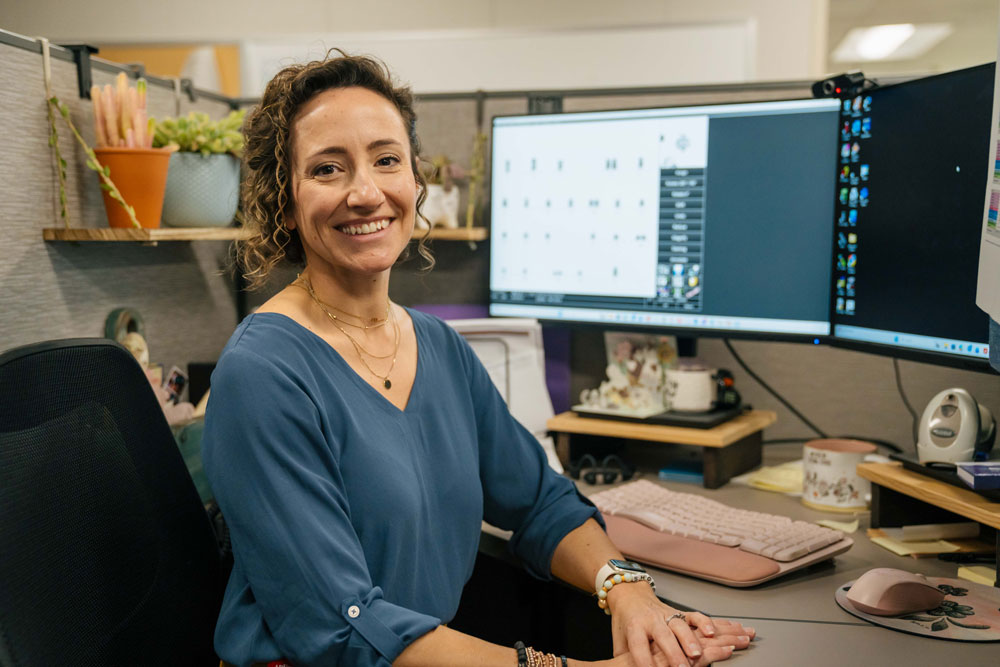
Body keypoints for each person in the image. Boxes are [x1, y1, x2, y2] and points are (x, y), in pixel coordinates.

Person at [203, 51, 754, 667]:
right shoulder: (264, 375)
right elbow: (346, 628)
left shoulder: (437, 346)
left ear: (416, 182)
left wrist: (625, 589)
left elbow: (540, 502)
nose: (365, 192)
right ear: (285, 201)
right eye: (328, 169)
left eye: (387, 160)